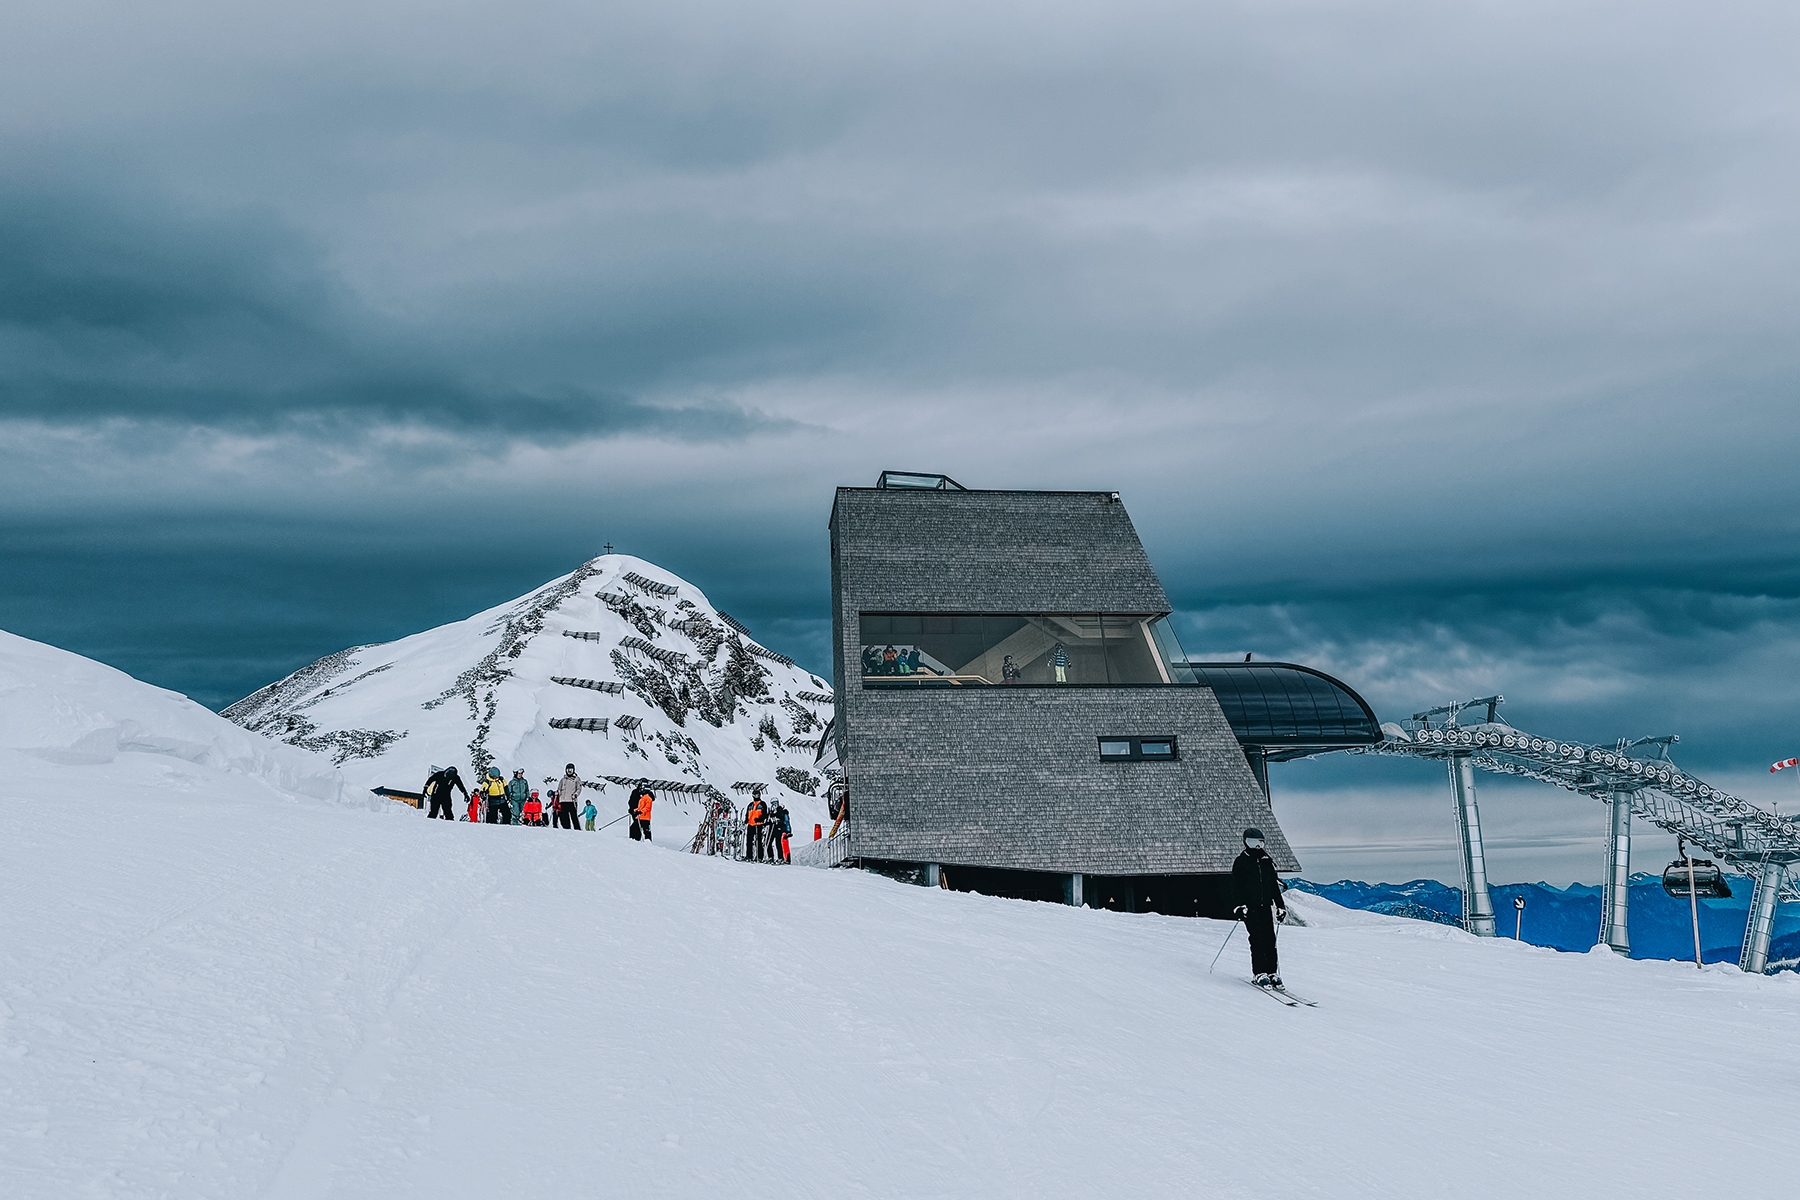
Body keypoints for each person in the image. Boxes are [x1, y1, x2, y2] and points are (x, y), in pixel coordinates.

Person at [1231, 827, 1288, 986]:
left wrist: (1280, 906)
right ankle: (1259, 972)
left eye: (1260, 843)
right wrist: (1239, 906)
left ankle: (1272, 972)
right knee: (1257, 939)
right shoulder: (1241, 861)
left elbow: (1273, 886)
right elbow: (1236, 886)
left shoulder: (1266, 861)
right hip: (1250, 907)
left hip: (1265, 906)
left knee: (1270, 939)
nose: (1257, 846)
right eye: (1253, 842)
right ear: (1246, 843)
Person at [554, 764, 583, 830]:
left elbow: (579, 789)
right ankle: (566, 828)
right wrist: (557, 792)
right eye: (568, 770)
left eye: (571, 770)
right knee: (563, 816)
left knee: (573, 816)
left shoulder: (576, 779)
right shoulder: (563, 780)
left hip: (571, 800)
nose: (569, 771)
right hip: (563, 800)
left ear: (573, 770)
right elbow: (559, 788)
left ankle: (577, 829)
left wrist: (575, 794)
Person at [744, 794, 766, 860]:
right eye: (755, 795)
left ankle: (759, 856)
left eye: (757, 795)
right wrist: (746, 820)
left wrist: (760, 819)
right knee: (749, 841)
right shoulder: (751, 804)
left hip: (758, 824)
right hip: (750, 824)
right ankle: (749, 856)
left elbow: (765, 814)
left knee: (758, 841)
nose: (756, 796)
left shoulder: (762, 804)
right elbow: (747, 813)